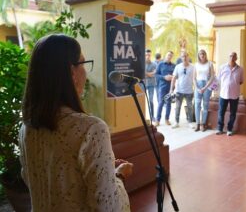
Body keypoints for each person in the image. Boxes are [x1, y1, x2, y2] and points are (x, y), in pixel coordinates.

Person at [19, 34, 132, 211]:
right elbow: (108, 207)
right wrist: (118, 176)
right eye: (84, 63)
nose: (86, 72)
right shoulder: (91, 129)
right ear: (72, 72)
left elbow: (34, 180)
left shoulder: (26, 128)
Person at [216, 52, 244, 136]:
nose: (232, 57)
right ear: (228, 57)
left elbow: (241, 81)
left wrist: (232, 85)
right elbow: (218, 79)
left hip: (234, 94)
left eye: (234, 56)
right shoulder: (222, 67)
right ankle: (220, 128)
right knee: (221, 112)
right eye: (230, 56)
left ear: (236, 58)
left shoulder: (240, 69)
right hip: (223, 94)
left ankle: (229, 129)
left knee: (233, 112)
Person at [170, 51, 195, 129]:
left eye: (185, 56)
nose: (184, 58)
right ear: (181, 58)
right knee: (177, 107)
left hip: (189, 91)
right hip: (179, 90)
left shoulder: (193, 67)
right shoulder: (177, 67)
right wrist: (171, 89)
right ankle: (176, 122)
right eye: (182, 56)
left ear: (188, 57)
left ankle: (190, 122)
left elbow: (195, 79)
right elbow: (173, 78)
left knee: (190, 107)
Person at [193, 49, 215, 131]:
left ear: (205, 55)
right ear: (198, 55)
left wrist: (205, 87)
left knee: (205, 105)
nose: (202, 55)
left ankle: (203, 124)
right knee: (197, 105)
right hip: (198, 85)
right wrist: (197, 87)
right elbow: (194, 78)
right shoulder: (196, 64)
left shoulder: (210, 64)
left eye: (203, 54)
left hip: (207, 85)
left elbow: (212, 76)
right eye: (200, 54)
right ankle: (197, 124)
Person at [155, 51, 175, 126]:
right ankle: (157, 120)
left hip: (170, 87)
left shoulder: (174, 65)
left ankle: (167, 119)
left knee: (169, 103)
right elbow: (156, 75)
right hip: (162, 87)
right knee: (161, 103)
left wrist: (172, 77)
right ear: (165, 55)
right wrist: (164, 77)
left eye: (171, 56)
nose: (169, 57)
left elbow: (176, 76)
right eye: (168, 55)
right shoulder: (160, 64)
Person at [144, 49, 157, 122]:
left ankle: (152, 116)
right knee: (141, 100)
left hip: (152, 84)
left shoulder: (154, 64)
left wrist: (147, 74)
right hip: (143, 84)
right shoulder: (142, 63)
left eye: (149, 55)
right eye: (146, 55)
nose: (147, 56)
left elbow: (155, 72)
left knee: (151, 100)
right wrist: (149, 74)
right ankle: (142, 116)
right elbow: (142, 72)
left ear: (150, 55)